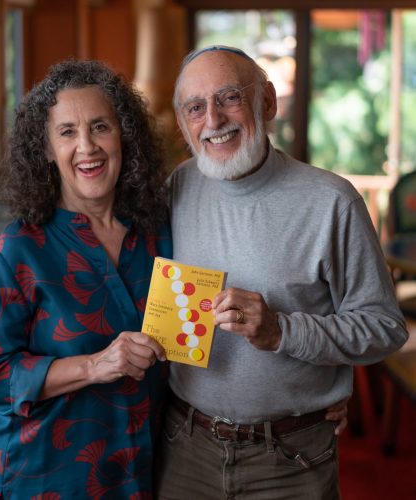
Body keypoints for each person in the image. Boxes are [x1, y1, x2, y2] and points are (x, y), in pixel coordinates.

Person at [155, 45, 409, 500]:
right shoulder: (176, 189)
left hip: (290, 457)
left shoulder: (332, 202)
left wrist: (282, 332)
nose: (213, 120)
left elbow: (385, 327)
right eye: (196, 107)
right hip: (185, 446)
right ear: (182, 123)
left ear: (266, 102)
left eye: (229, 97)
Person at [0, 59, 172, 499]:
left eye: (100, 127)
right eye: (67, 132)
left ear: (124, 136)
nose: (87, 146)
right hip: (39, 476)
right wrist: (96, 366)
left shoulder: (158, 235)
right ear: (45, 150)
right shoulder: (18, 251)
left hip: (133, 472)